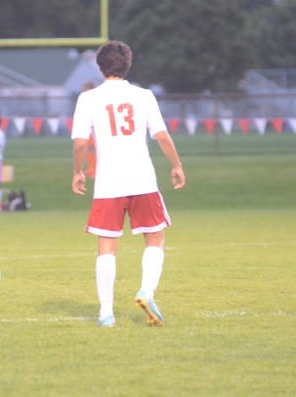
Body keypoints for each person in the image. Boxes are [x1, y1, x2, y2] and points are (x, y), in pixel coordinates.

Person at [71, 40, 185, 328]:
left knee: (106, 247)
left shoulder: (88, 99)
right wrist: (176, 165)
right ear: (128, 64)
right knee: (155, 239)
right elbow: (161, 136)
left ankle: (106, 314)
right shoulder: (144, 96)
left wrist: (79, 171)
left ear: (100, 67)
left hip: (108, 183)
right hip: (142, 179)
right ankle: (146, 290)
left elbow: (80, 143)